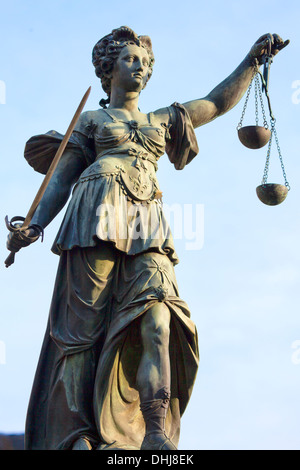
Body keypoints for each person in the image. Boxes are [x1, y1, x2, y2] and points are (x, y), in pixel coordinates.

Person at [7, 27, 288, 450]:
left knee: (160, 318)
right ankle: (78, 434)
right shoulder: (92, 121)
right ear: (109, 69)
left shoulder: (161, 120)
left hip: (146, 225)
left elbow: (213, 103)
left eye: (145, 62)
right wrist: (35, 224)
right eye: (130, 59)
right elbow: (60, 179)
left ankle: (156, 432)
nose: (140, 67)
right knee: (83, 332)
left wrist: (252, 62)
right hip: (94, 218)